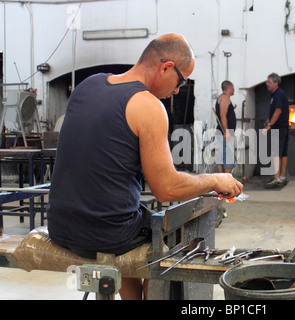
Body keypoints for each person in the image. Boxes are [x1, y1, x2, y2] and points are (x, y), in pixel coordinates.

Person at [47, 33, 243, 300]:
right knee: (172, 244)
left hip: (59, 226)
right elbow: (167, 188)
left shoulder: (88, 85)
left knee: (136, 220)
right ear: (166, 67)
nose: (176, 90)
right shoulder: (148, 106)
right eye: (180, 82)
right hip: (105, 233)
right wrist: (215, 180)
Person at [264, 73, 289, 189]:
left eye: (269, 82)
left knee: (275, 153)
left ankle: (277, 178)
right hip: (282, 126)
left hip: (278, 127)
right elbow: (275, 111)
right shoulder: (276, 95)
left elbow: (278, 111)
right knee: (283, 153)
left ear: (276, 83)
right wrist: (269, 120)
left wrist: (269, 125)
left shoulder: (278, 94)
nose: (267, 84)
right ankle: (282, 176)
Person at [215, 80, 237, 174]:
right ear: (228, 88)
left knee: (223, 154)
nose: (234, 89)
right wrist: (226, 131)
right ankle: (226, 179)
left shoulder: (223, 98)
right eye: (232, 88)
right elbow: (223, 115)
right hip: (225, 131)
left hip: (223, 131)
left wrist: (232, 109)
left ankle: (223, 180)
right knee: (228, 155)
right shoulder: (225, 98)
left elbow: (225, 113)